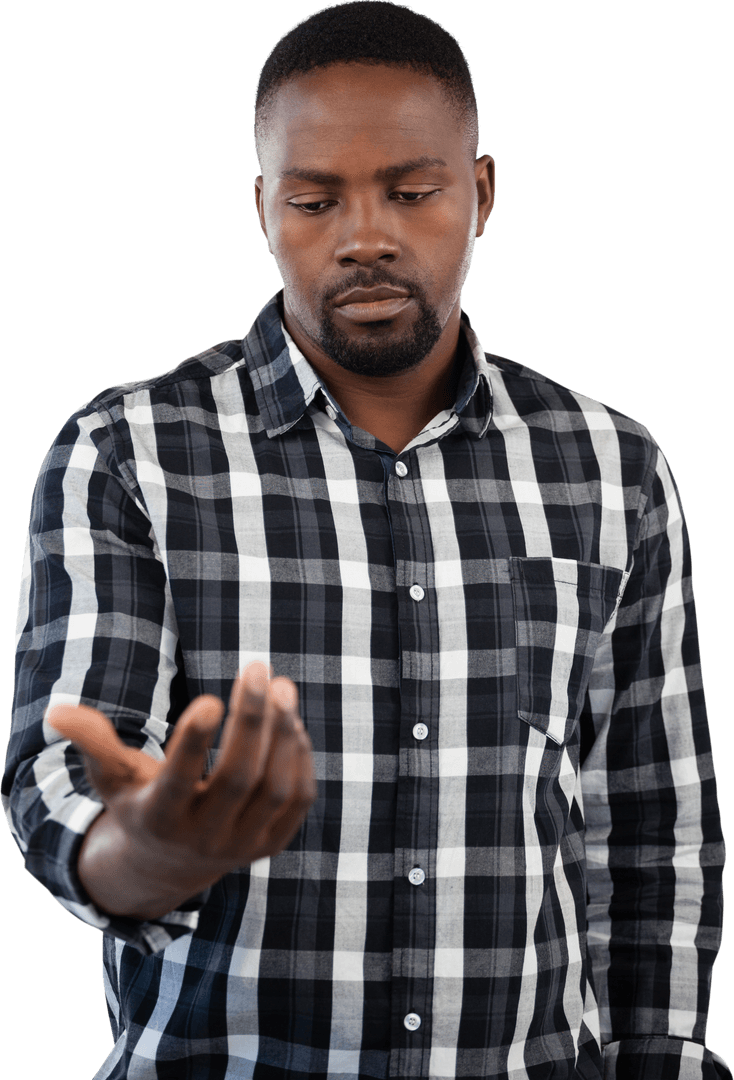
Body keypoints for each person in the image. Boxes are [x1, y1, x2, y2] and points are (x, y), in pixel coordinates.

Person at [2, 1, 729, 1077]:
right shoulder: (130, 453)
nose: (364, 236)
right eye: (312, 199)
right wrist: (149, 850)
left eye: (411, 191)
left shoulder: (610, 466)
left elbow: (653, 828)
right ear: (262, 209)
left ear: (478, 194)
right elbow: (62, 770)